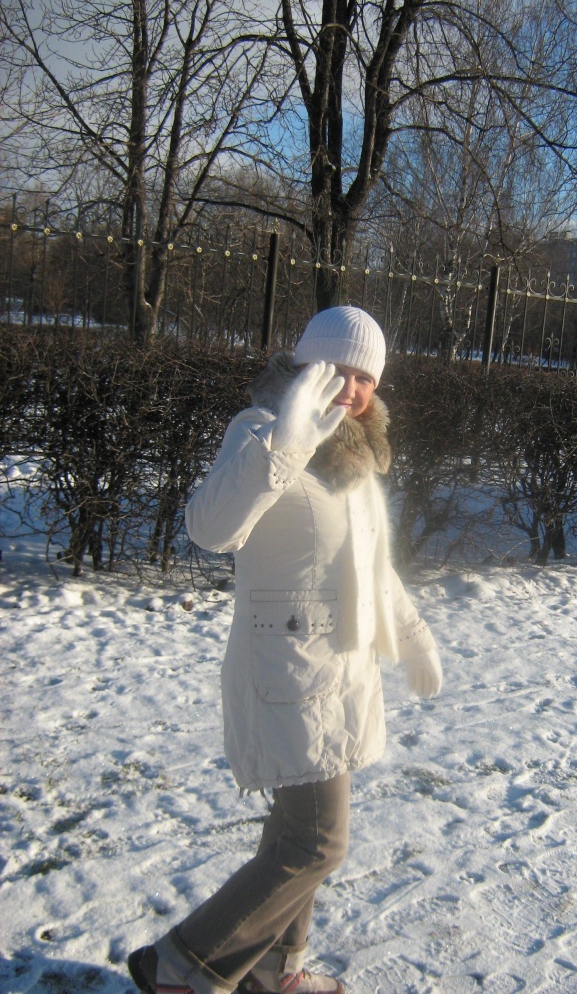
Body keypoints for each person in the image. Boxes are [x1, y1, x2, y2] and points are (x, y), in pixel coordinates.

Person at [128, 305, 443, 994]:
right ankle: (182, 965)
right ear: (306, 363)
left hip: (344, 670)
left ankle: (277, 971)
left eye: (366, 377)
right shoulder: (260, 428)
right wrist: (285, 444)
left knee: (292, 833)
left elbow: (372, 564)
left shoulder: (356, 453)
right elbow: (211, 529)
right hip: (286, 674)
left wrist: (413, 637)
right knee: (317, 842)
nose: (352, 388)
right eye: (340, 369)